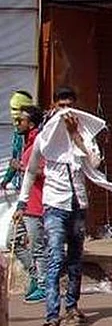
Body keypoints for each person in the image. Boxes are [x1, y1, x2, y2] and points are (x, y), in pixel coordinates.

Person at [17, 88, 112, 326]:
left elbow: (94, 163)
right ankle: (52, 316)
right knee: (54, 258)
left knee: (75, 258)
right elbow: (30, 171)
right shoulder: (45, 137)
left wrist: (75, 136)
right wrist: (22, 202)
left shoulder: (83, 135)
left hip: (77, 205)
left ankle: (72, 306)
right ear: (54, 106)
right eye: (61, 105)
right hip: (54, 205)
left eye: (69, 106)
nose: (65, 110)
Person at [11, 105, 47, 303]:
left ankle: (43, 285)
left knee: (37, 247)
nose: (17, 124)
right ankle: (35, 274)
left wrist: (24, 168)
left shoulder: (40, 144)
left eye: (21, 120)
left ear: (31, 124)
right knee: (13, 240)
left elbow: (45, 172)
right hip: (25, 204)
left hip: (36, 205)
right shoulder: (26, 144)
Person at [2, 90, 34, 190]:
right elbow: (15, 157)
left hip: (33, 185)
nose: (13, 113)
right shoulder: (18, 131)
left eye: (16, 109)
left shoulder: (38, 133)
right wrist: (5, 181)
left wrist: (21, 166)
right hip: (19, 184)